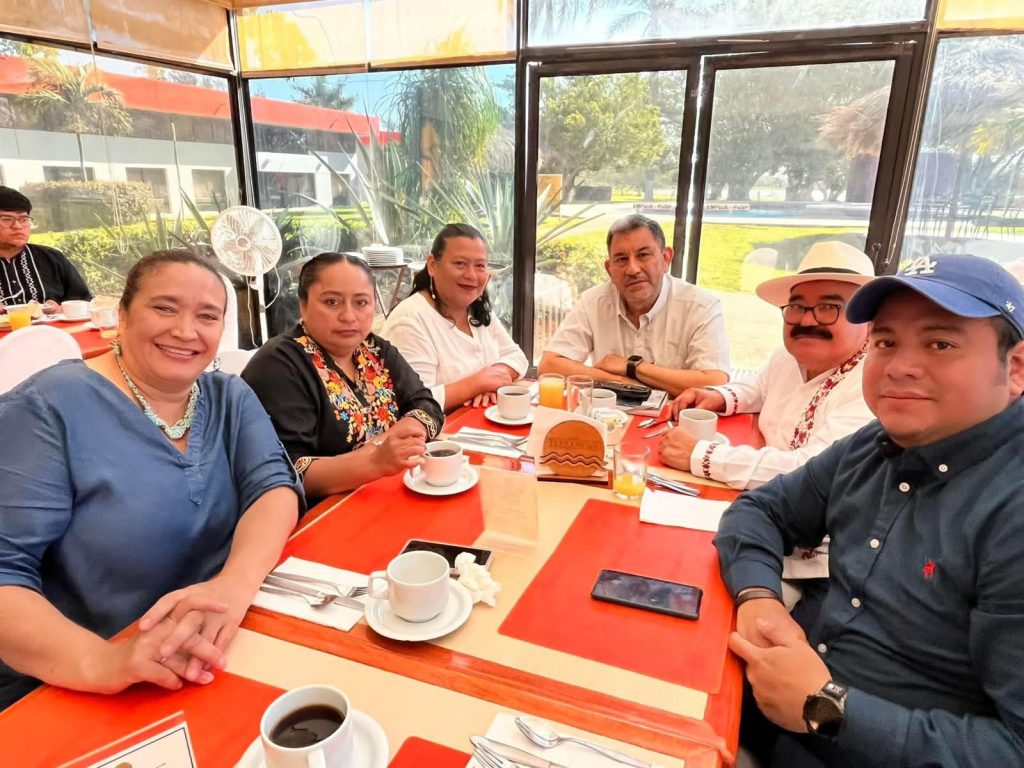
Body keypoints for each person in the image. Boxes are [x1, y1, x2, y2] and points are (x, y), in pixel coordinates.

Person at [716, 254, 1024, 767]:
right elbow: (761, 511)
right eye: (885, 342)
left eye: (940, 344)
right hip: (747, 706)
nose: (900, 366)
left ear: (1014, 368)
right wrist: (758, 598)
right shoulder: (873, 445)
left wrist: (826, 708)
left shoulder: (1010, 511)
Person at [0, 250, 303, 710]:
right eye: (165, 308)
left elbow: (273, 488)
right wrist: (105, 662)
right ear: (122, 316)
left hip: (217, 647)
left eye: (207, 316)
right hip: (78, 682)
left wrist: (233, 585)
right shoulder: (48, 408)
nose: (185, 331)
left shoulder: (228, 395)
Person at [242, 253, 444, 504]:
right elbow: (289, 470)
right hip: (323, 512)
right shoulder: (279, 364)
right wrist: (374, 461)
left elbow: (426, 404)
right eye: (332, 302)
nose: (349, 316)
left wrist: (402, 433)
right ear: (303, 305)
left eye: (361, 302)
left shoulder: (375, 349)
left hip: (387, 494)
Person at [538, 215, 729, 397]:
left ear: (666, 259)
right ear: (609, 269)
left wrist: (632, 367)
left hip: (674, 416)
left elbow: (715, 382)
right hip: (607, 414)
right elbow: (549, 366)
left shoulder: (700, 305)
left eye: (643, 255)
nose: (633, 269)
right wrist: (622, 382)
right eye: (621, 259)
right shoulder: (593, 302)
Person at [381, 223, 528, 412]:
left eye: (480, 266)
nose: (471, 275)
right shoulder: (409, 320)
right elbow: (413, 401)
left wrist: (495, 377)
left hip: (481, 421)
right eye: (460, 264)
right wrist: (477, 384)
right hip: (437, 429)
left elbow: (517, 357)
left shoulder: (477, 310)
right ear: (432, 265)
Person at [0, 186, 92, 312]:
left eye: (24, 219)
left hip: (52, 325)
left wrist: (59, 309)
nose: (18, 226)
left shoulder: (52, 258)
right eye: (7, 219)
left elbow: (84, 302)